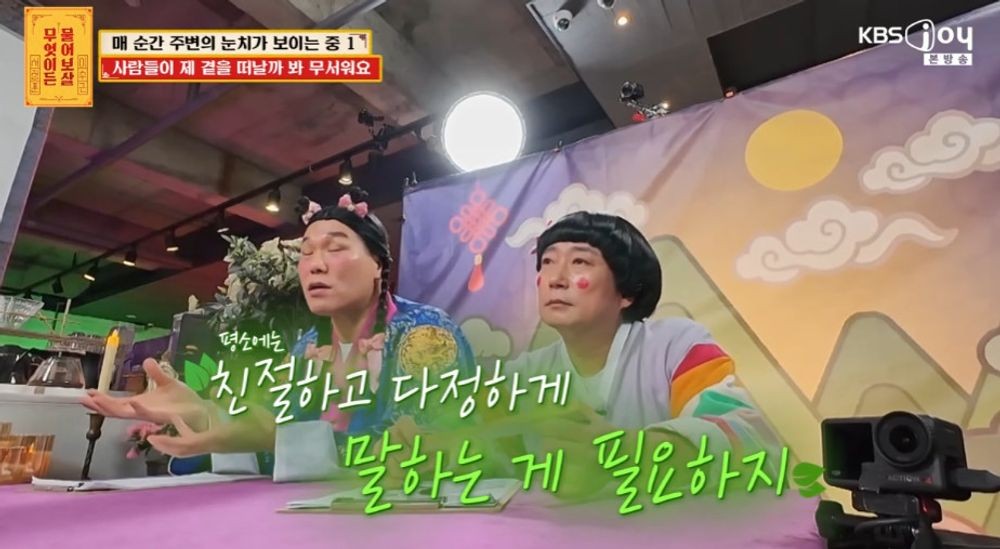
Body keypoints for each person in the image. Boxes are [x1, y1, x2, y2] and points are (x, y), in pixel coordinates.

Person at [81, 189, 475, 466]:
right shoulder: (307, 346)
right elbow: (271, 423)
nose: (315, 264)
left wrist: (281, 442)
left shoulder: (424, 334)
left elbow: (417, 448)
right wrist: (203, 413)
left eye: (336, 248)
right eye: (306, 252)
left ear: (378, 264)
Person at [499, 211, 782, 496]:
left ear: (627, 292)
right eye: (547, 262)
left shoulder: (678, 346)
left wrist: (626, 451)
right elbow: (491, 459)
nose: (555, 279)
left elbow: (751, 443)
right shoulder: (523, 375)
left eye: (580, 262)